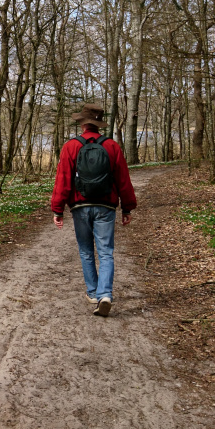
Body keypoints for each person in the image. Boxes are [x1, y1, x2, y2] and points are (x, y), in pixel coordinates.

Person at [50, 103, 137, 317]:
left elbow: (63, 180)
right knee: (106, 251)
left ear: (82, 124)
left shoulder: (71, 147)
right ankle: (105, 294)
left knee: (86, 250)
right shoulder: (112, 147)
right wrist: (127, 206)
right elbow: (123, 179)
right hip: (106, 205)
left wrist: (57, 209)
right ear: (99, 125)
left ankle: (92, 292)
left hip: (80, 206)